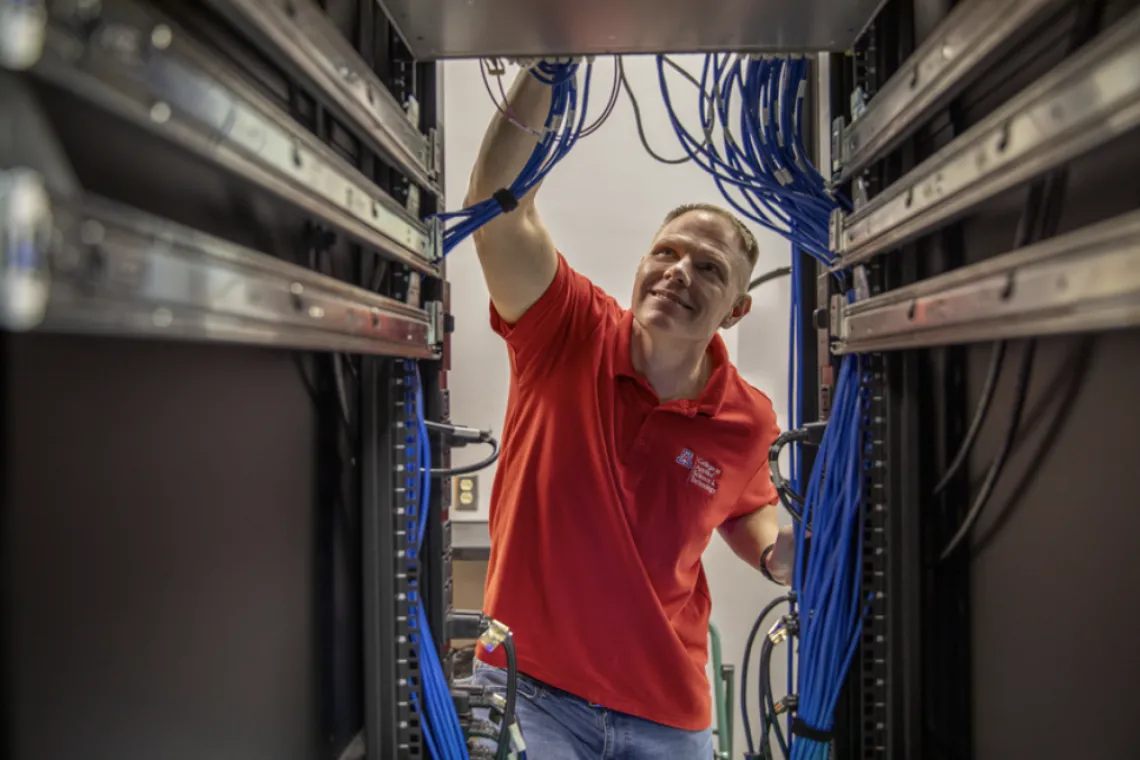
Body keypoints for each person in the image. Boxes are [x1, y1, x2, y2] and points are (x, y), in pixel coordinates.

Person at [462, 62, 796, 760]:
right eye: (666, 253)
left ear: (736, 308)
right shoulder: (566, 328)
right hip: (529, 690)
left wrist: (777, 553)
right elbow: (496, 210)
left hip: (668, 714)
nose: (679, 272)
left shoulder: (748, 418)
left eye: (708, 268)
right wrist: (546, 67)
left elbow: (745, 506)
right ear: (642, 264)